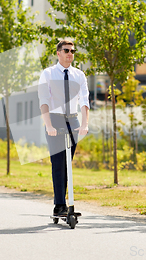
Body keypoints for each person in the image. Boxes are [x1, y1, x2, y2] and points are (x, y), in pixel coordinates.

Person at [38, 40, 89, 216]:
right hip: (54, 120)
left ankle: (67, 204)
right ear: (58, 53)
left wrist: (84, 124)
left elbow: (84, 100)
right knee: (58, 163)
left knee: (68, 163)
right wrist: (49, 125)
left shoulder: (79, 75)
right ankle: (59, 205)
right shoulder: (48, 74)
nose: (70, 54)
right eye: (66, 50)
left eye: (72, 51)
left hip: (73, 120)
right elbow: (44, 100)